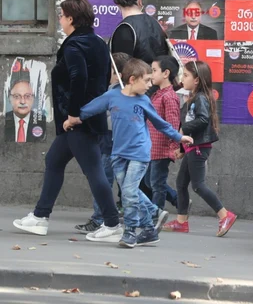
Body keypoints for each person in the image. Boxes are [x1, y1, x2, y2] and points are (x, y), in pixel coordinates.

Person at [12, 0, 122, 241]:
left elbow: (78, 77)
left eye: (61, 16)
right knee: (54, 160)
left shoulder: (74, 46)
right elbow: (103, 79)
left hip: (77, 120)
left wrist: (74, 115)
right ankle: (40, 217)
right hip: (88, 117)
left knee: (94, 170)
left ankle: (112, 223)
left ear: (71, 19)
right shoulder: (97, 43)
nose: (60, 20)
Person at [67, 59, 192, 247]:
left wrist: (178, 137)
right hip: (118, 154)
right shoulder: (112, 96)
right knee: (131, 190)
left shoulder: (143, 100)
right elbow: (91, 108)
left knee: (128, 192)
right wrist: (73, 119)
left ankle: (131, 232)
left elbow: (160, 122)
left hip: (140, 153)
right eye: (147, 80)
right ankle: (151, 227)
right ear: (132, 79)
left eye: (151, 79)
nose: (150, 85)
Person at [162, 61, 238, 237]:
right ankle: (181, 222)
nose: (183, 78)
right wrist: (182, 147)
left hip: (199, 148)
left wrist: (183, 130)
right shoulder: (194, 98)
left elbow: (203, 120)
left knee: (197, 185)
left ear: (196, 80)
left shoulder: (201, 98)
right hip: (192, 148)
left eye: (186, 75)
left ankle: (225, 215)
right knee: (181, 183)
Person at [74, 52, 130, 234]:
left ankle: (100, 218)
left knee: (103, 181)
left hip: (110, 141)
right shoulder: (118, 91)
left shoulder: (115, 93)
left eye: (110, 70)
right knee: (120, 181)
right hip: (113, 141)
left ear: (118, 74)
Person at [146, 56, 182, 212]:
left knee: (157, 184)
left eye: (154, 71)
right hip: (152, 147)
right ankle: (179, 201)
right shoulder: (157, 94)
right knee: (150, 181)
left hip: (161, 149)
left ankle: (156, 215)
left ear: (166, 73)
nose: (151, 74)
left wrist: (173, 147)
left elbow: (173, 124)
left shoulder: (169, 97)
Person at [110, 0, 168, 65]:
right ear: (140, 1)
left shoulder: (125, 28)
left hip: (135, 77)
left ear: (118, 3)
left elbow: (121, 68)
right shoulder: (156, 24)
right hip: (158, 76)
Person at [5, 64, 46, 143]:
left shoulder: (43, 122)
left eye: (27, 96)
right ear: (10, 98)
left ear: (33, 98)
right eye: (17, 96)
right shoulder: (3, 121)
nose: (23, 102)